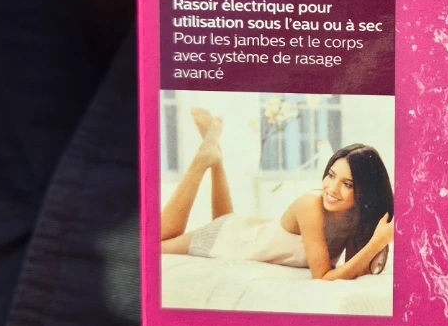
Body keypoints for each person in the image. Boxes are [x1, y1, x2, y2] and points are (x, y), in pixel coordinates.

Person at [160, 108, 393, 279]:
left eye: (347, 184)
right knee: (156, 244)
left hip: (244, 232)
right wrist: (378, 241)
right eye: (330, 175)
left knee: (225, 220)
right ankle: (202, 160)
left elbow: (353, 270)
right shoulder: (310, 203)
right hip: (232, 239)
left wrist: (375, 240)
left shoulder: (357, 218)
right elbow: (323, 277)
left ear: (366, 193)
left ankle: (216, 158)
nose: (332, 188)